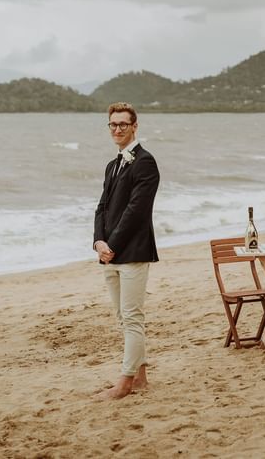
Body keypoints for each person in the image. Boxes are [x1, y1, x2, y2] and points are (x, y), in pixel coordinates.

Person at [93, 102, 160, 400]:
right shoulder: (112, 165)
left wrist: (113, 246)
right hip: (109, 253)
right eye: (113, 125)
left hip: (133, 252)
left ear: (135, 126)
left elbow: (136, 211)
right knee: (124, 318)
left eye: (123, 124)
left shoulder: (145, 162)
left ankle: (125, 382)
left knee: (132, 317)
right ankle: (141, 377)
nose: (117, 129)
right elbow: (102, 207)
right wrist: (98, 242)